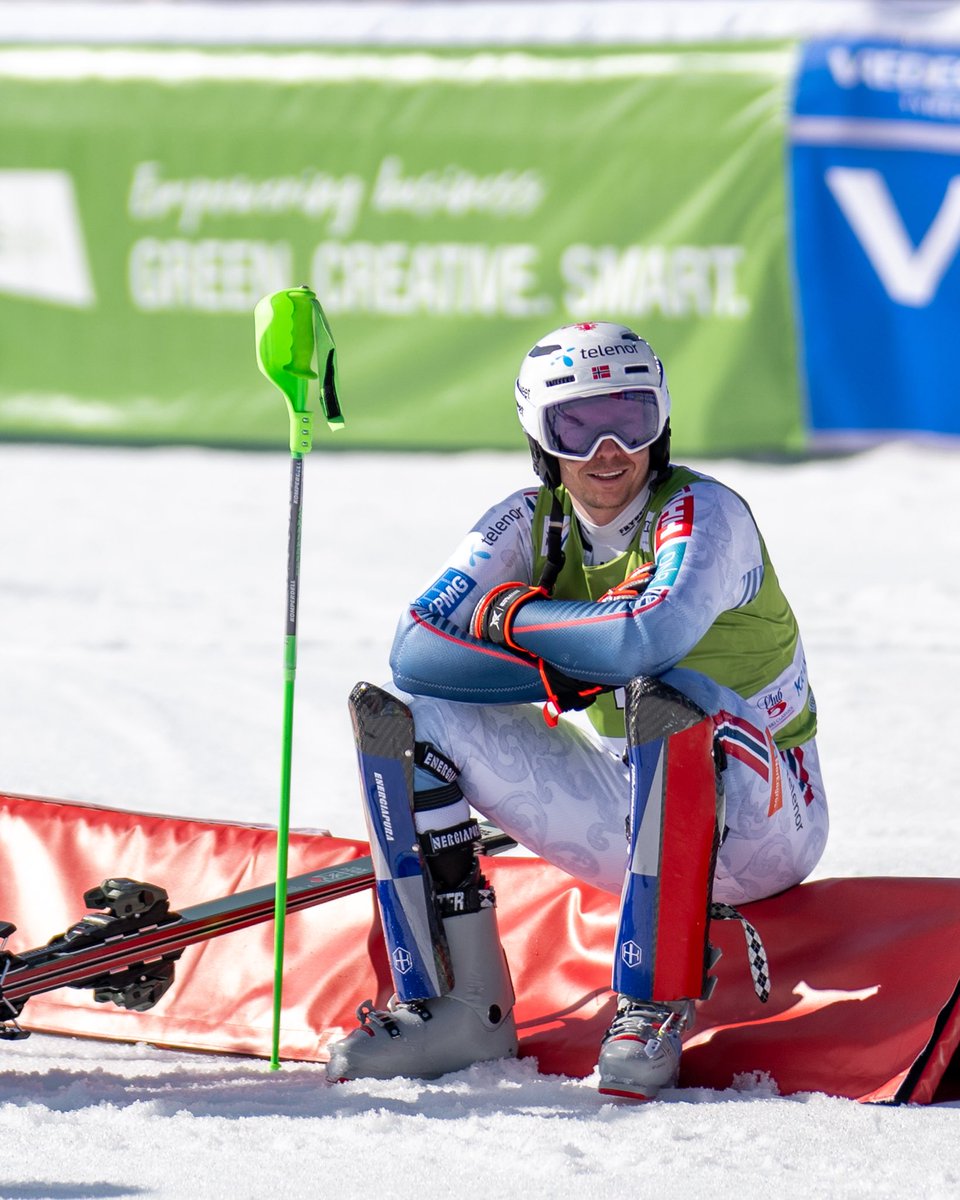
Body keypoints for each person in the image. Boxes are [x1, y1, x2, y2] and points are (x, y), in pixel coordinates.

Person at [326, 321, 828, 1099]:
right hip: (635, 806)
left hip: (769, 823)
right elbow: (413, 648)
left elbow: (646, 638)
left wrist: (509, 621)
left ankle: (652, 1005)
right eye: (577, 424)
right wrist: (557, 674)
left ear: (660, 423)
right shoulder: (527, 520)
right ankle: (460, 1008)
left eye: (629, 419)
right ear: (540, 437)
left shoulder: (705, 512)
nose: (607, 450)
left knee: (675, 695)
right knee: (416, 716)